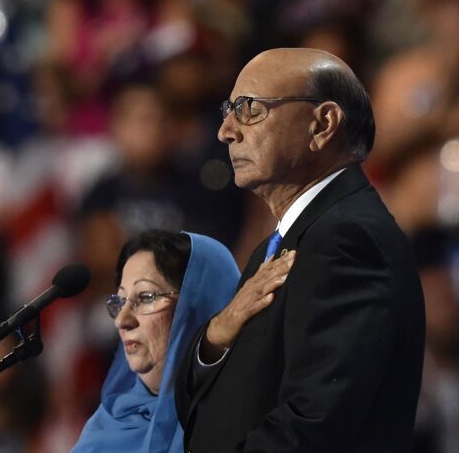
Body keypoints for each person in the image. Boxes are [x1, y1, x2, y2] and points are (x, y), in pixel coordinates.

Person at [175, 47, 426, 452]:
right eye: (228, 108)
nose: (226, 130)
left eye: (249, 108)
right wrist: (215, 337)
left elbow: (311, 428)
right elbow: (207, 408)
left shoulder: (345, 240)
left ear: (322, 124)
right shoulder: (278, 247)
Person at [71, 229, 240, 452]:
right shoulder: (106, 428)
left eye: (146, 297)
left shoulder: (243, 414)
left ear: (200, 305)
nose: (122, 320)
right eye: (120, 301)